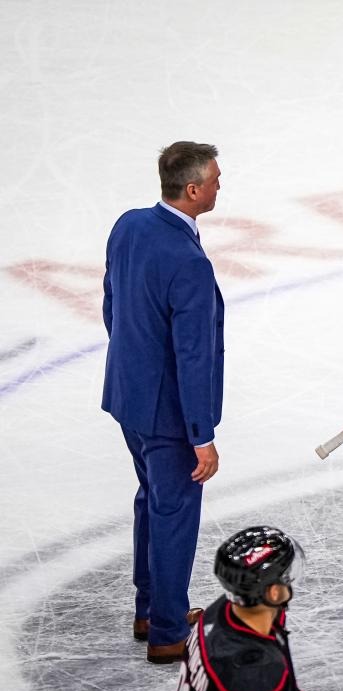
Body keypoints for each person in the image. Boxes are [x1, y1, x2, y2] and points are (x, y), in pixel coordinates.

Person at [102, 141, 224, 663]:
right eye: (216, 179)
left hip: (128, 397)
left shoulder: (129, 225)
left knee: (152, 499)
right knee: (174, 513)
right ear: (193, 190)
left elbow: (112, 303)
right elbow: (194, 355)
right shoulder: (188, 262)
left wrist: (135, 364)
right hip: (169, 415)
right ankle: (168, 632)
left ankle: (151, 608)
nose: (221, 185)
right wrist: (201, 434)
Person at [175, 526, 309, 691]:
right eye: (285, 576)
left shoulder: (220, 609)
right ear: (273, 593)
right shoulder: (254, 676)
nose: (289, 580)